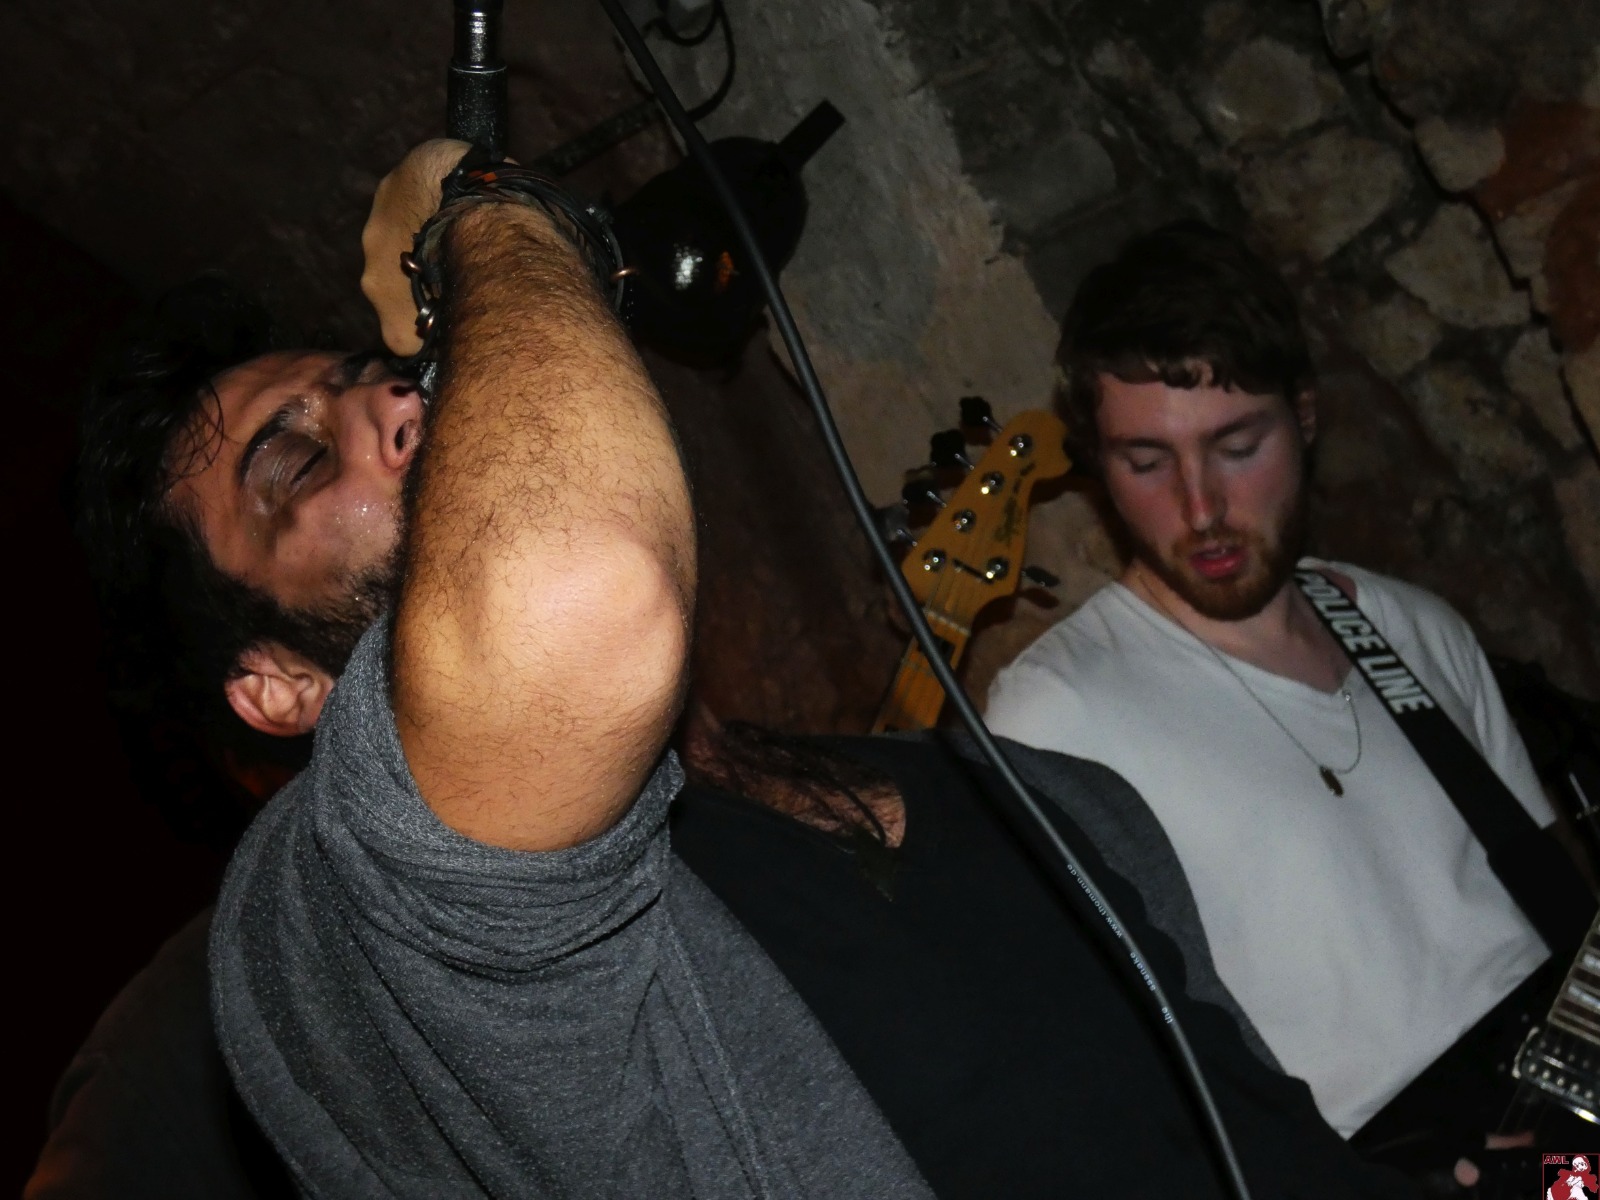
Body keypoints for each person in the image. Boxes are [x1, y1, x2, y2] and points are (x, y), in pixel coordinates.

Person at [55, 144, 1415, 1198]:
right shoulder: (330, 923)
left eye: (382, 379)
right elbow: (579, 581)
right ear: (277, 687)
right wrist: (488, 218)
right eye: (299, 462)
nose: (402, 404)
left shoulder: (1016, 789)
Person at [983, 222, 1594, 1166]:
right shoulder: (1057, 715)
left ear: (1304, 418)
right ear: (1099, 468)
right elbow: (1091, 1077)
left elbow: (1554, 885)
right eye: (1146, 462)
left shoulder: (1406, 625)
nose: (1200, 508)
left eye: (1236, 446)